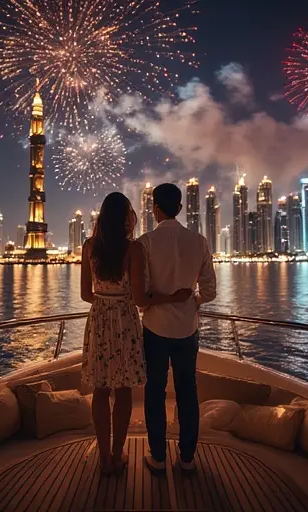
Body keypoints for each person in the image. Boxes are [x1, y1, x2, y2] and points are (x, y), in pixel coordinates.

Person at [80, 191, 192, 475]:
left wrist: (104, 303)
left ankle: (104, 457)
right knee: (123, 390)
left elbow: (85, 294)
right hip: (125, 321)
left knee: (100, 391)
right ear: (126, 218)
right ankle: (118, 455)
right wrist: (172, 297)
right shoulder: (134, 250)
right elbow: (141, 299)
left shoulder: (89, 246)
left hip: (99, 319)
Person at [135, 183, 217, 474]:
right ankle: (187, 458)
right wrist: (194, 300)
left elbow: (142, 296)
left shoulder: (145, 242)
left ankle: (158, 457)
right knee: (187, 392)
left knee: (155, 391)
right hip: (187, 330)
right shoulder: (200, 241)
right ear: (180, 208)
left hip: (155, 328)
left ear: (153, 208)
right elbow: (210, 291)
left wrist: (160, 300)